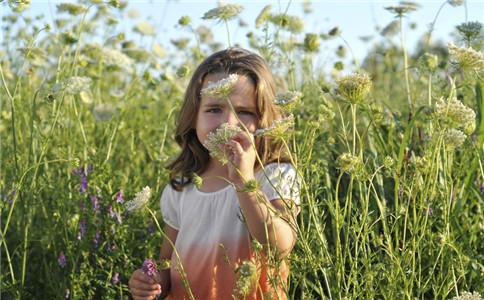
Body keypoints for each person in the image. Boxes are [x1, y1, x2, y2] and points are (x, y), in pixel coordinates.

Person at [129, 47, 301, 300]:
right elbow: (167, 263)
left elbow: (280, 245)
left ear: (264, 119)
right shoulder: (182, 185)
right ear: (194, 117)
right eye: (214, 109)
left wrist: (245, 182)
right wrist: (152, 282)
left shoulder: (274, 176)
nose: (229, 123)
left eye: (245, 112)